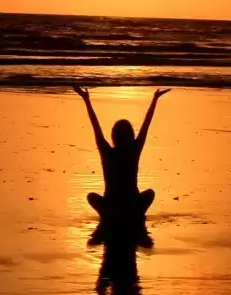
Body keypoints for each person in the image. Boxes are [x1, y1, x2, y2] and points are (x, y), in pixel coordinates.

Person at [73, 86, 170, 220]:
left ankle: (110, 213)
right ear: (131, 135)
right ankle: (131, 213)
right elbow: (146, 124)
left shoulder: (107, 151)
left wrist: (86, 100)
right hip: (132, 205)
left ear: (114, 135)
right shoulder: (134, 150)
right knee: (149, 193)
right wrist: (154, 99)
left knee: (91, 196)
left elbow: (95, 125)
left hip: (111, 205)